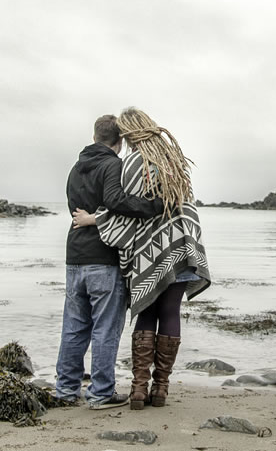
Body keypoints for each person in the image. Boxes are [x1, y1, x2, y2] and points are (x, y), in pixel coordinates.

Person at [72, 107, 211, 410]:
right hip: (182, 245)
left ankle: (138, 389)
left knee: (147, 312)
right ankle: (161, 389)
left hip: (149, 252)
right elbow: (184, 204)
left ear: (128, 134)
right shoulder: (175, 161)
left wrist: (93, 219)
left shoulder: (133, 164)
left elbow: (124, 210)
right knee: (171, 311)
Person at [57, 114, 166, 409]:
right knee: (106, 328)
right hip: (103, 257)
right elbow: (116, 200)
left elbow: (75, 209)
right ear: (119, 141)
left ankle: (66, 389)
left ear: (94, 137)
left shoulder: (75, 168)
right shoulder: (113, 164)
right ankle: (101, 392)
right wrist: (154, 206)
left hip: (74, 255)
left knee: (74, 326)